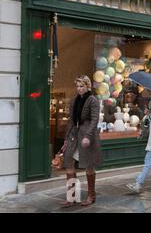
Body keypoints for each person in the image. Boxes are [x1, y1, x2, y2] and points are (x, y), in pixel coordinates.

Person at [60, 75, 102, 207]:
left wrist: (87, 136)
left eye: (81, 86)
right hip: (74, 135)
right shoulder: (74, 100)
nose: (79, 89)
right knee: (69, 163)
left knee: (89, 165)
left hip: (87, 136)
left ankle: (91, 195)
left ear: (87, 86)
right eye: (77, 86)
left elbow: (95, 120)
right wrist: (66, 139)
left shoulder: (93, 100)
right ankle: (71, 197)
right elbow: (72, 121)